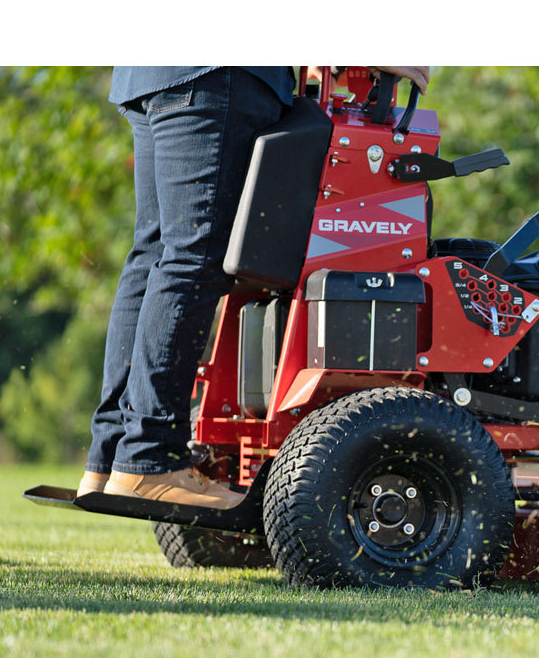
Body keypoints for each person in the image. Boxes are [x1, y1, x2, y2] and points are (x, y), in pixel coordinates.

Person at [79, 65, 430, 509]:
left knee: (155, 257)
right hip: (219, 73)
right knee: (193, 258)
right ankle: (147, 461)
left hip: (153, 73)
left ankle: (109, 457)